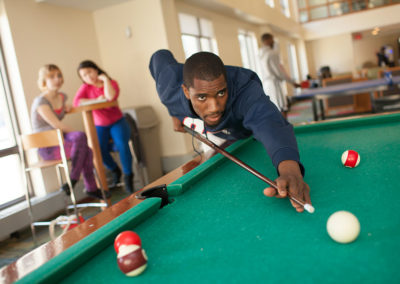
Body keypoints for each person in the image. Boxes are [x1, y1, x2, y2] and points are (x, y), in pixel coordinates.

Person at [149, 50, 311, 213]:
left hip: (244, 129)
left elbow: (267, 121)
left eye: (221, 93)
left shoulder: (244, 88)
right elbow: (159, 57)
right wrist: (174, 113)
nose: (214, 107)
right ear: (185, 91)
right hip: (212, 132)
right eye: (202, 97)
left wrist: (289, 169)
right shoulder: (169, 87)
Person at [31, 64, 110, 200]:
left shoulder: (62, 97)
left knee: (84, 145)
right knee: (84, 145)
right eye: (52, 77)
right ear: (44, 81)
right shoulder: (41, 101)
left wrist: (66, 108)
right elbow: (56, 124)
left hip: (61, 140)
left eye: (59, 75)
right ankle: (83, 184)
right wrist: (80, 136)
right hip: (48, 146)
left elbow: (66, 110)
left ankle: (74, 181)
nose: (57, 79)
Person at [73, 60, 134, 193]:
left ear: (96, 70)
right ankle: (114, 170)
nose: (88, 77)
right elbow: (76, 102)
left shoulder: (111, 83)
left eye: (89, 72)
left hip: (117, 121)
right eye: (84, 76)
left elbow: (110, 97)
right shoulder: (85, 88)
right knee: (97, 149)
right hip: (100, 125)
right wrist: (95, 100)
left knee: (122, 145)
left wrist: (105, 79)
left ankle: (128, 176)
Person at [259, 33, 300, 117]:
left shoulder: (260, 54)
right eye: (272, 39)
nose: (273, 41)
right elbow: (279, 72)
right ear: (268, 40)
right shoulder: (272, 53)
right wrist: (292, 82)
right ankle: (284, 129)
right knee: (282, 108)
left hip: (266, 85)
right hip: (274, 84)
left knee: (272, 109)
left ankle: (277, 128)